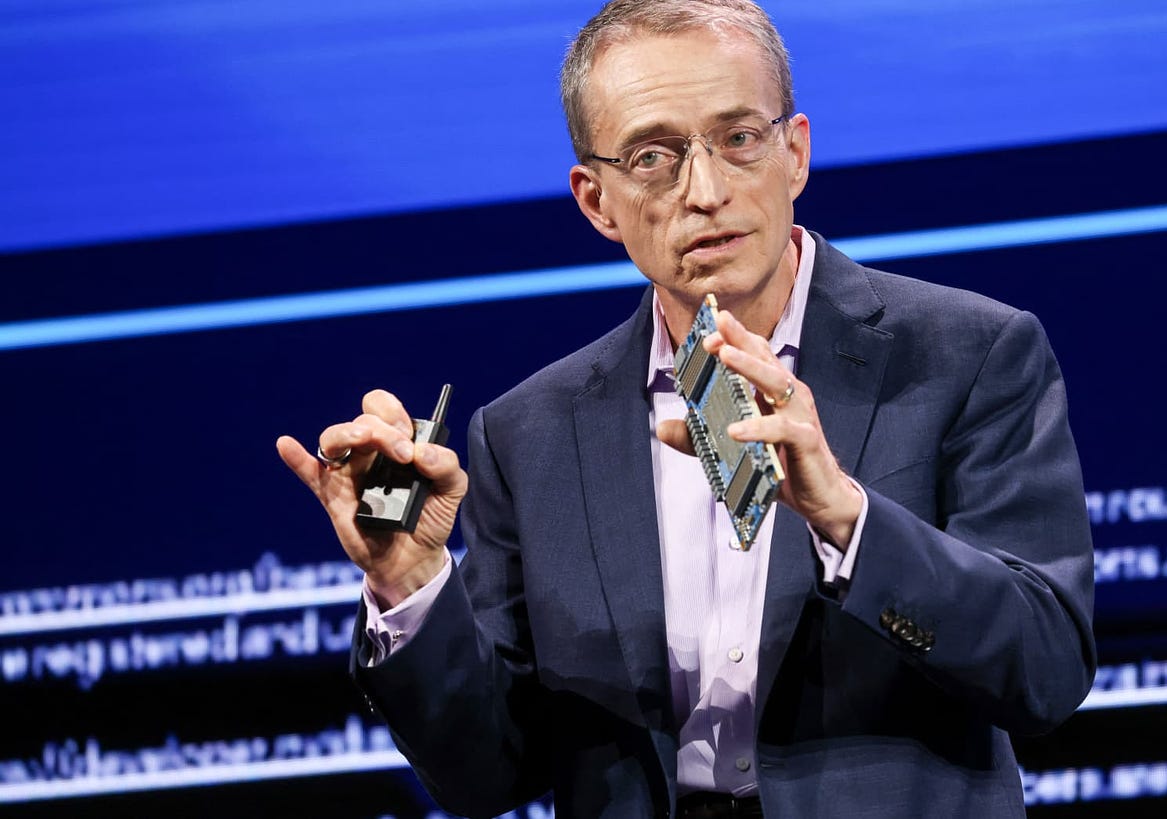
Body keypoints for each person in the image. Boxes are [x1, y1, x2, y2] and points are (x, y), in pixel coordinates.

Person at [277, 1, 1096, 816]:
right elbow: (484, 774)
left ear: (796, 153)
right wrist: (410, 581)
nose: (704, 191)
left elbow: (1048, 669)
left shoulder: (969, 355)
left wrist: (847, 520)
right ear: (597, 201)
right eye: (653, 157)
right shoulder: (529, 435)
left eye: (739, 139)